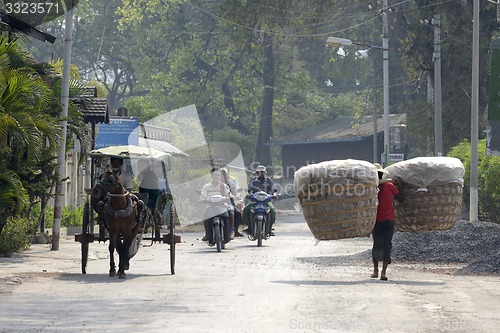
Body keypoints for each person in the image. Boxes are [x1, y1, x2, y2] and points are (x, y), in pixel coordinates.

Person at [371, 163, 405, 281]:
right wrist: (400, 186)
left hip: (376, 221)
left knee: (377, 244)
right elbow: (401, 199)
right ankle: (383, 273)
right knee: (387, 245)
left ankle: (375, 271)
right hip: (389, 220)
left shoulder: (371, 188)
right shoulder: (390, 186)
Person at [200, 167, 233, 243]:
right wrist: (204, 200)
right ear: (211, 176)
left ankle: (229, 233)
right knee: (205, 216)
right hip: (210, 206)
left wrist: (228, 198)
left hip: (223, 206)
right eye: (215, 175)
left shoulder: (224, 186)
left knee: (230, 213)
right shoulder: (206, 187)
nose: (217, 177)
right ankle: (207, 234)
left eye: (218, 175)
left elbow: (229, 195)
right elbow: (202, 196)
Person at [242, 165, 277, 235]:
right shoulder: (253, 181)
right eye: (258, 172)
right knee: (246, 210)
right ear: (256, 173)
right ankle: (249, 227)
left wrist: (274, 195)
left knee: (272, 211)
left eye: (262, 172)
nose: (260, 174)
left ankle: (269, 228)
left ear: (265, 173)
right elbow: (249, 190)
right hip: (255, 201)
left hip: (266, 202)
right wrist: (248, 194)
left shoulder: (269, 180)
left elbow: (274, 190)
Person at [220, 164, 244, 237]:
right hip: (216, 203)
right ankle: (208, 234)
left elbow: (234, 192)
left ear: (227, 175)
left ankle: (235, 231)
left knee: (237, 213)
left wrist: (234, 196)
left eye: (224, 174)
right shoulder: (214, 183)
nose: (222, 176)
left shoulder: (231, 183)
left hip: (228, 202)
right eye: (221, 174)